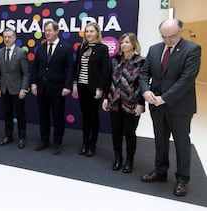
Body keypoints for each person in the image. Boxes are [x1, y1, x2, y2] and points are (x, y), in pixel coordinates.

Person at [139, 19, 201, 197]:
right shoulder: (154, 49)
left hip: (180, 106)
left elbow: (186, 80)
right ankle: (160, 171)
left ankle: (182, 179)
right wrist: (145, 91)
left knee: (181, 143)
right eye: (164, 37)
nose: (167, 41)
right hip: (156, 105)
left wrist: (164, 98)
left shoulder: (192, 50)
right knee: (160, 139)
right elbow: (144, 73)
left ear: (181, 32)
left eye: (172, 37)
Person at [102, 33, 145, 173]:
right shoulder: (114, 60)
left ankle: (129, 159)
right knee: (116, 132)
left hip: (132, 103)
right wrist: (105, 98)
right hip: (114, 102)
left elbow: (144, 84)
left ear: (133, 44)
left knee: (130, 132)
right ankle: (118, 157)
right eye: (122, 42)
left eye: (127, 42)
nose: (123, 45)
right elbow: (108, 81)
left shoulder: (141, 61)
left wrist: (141, 103)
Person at [31, 20, 74, 155]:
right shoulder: (41, 48)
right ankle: (44, 140)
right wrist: (33, 83)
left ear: (56, 31)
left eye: (49, 30)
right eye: (45, 31)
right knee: (43, 117)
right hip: (42, 89)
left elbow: (70, 69)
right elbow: (35, 67)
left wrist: (67, 86)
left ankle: (57, 143)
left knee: (58, 117)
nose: (47, 33)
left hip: (58, 89)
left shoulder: (66, 48)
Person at [73, 22, 110, 157]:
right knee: (85, 116)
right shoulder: (81, 47)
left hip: (94, 89)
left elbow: (104, 71)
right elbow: (77, 66)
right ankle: (85, 143)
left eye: (91, 31)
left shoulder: (102, 49)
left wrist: (100, 89)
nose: (88, 34)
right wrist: (75, 83)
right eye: (87, 31)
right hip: (82, 86)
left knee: (93, 116)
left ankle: (92, 145)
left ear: (97, 33)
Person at [0, 28, 29, 149]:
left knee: (20, 114)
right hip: (4, 89)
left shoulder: (21, 52)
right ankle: (8, 136)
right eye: (5, 37)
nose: (7, 39)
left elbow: (26, 73)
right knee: (7, 114)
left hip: (17, 90)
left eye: (9, 37)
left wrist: (24, 89)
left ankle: (22, 137)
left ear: (14, 38)